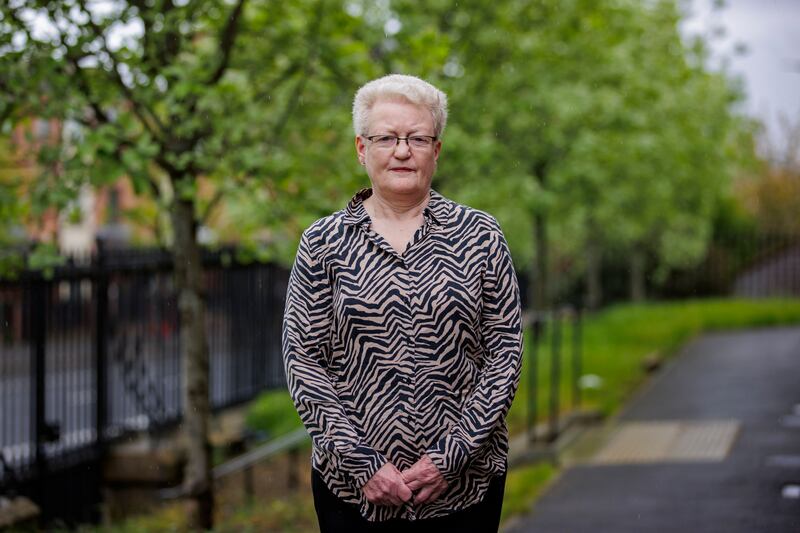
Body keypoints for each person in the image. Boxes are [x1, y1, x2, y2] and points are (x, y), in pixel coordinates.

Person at [282, 74, 522, 532]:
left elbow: (504, 355)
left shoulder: (481, 236)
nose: (402, 150)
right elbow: (303, 360)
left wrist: (450, 458)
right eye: (386, 137)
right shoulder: (323, 243)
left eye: (417, 137)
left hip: (465, 489)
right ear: (361, 149)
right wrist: (362, 464)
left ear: (437, 149)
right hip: (350, 493)